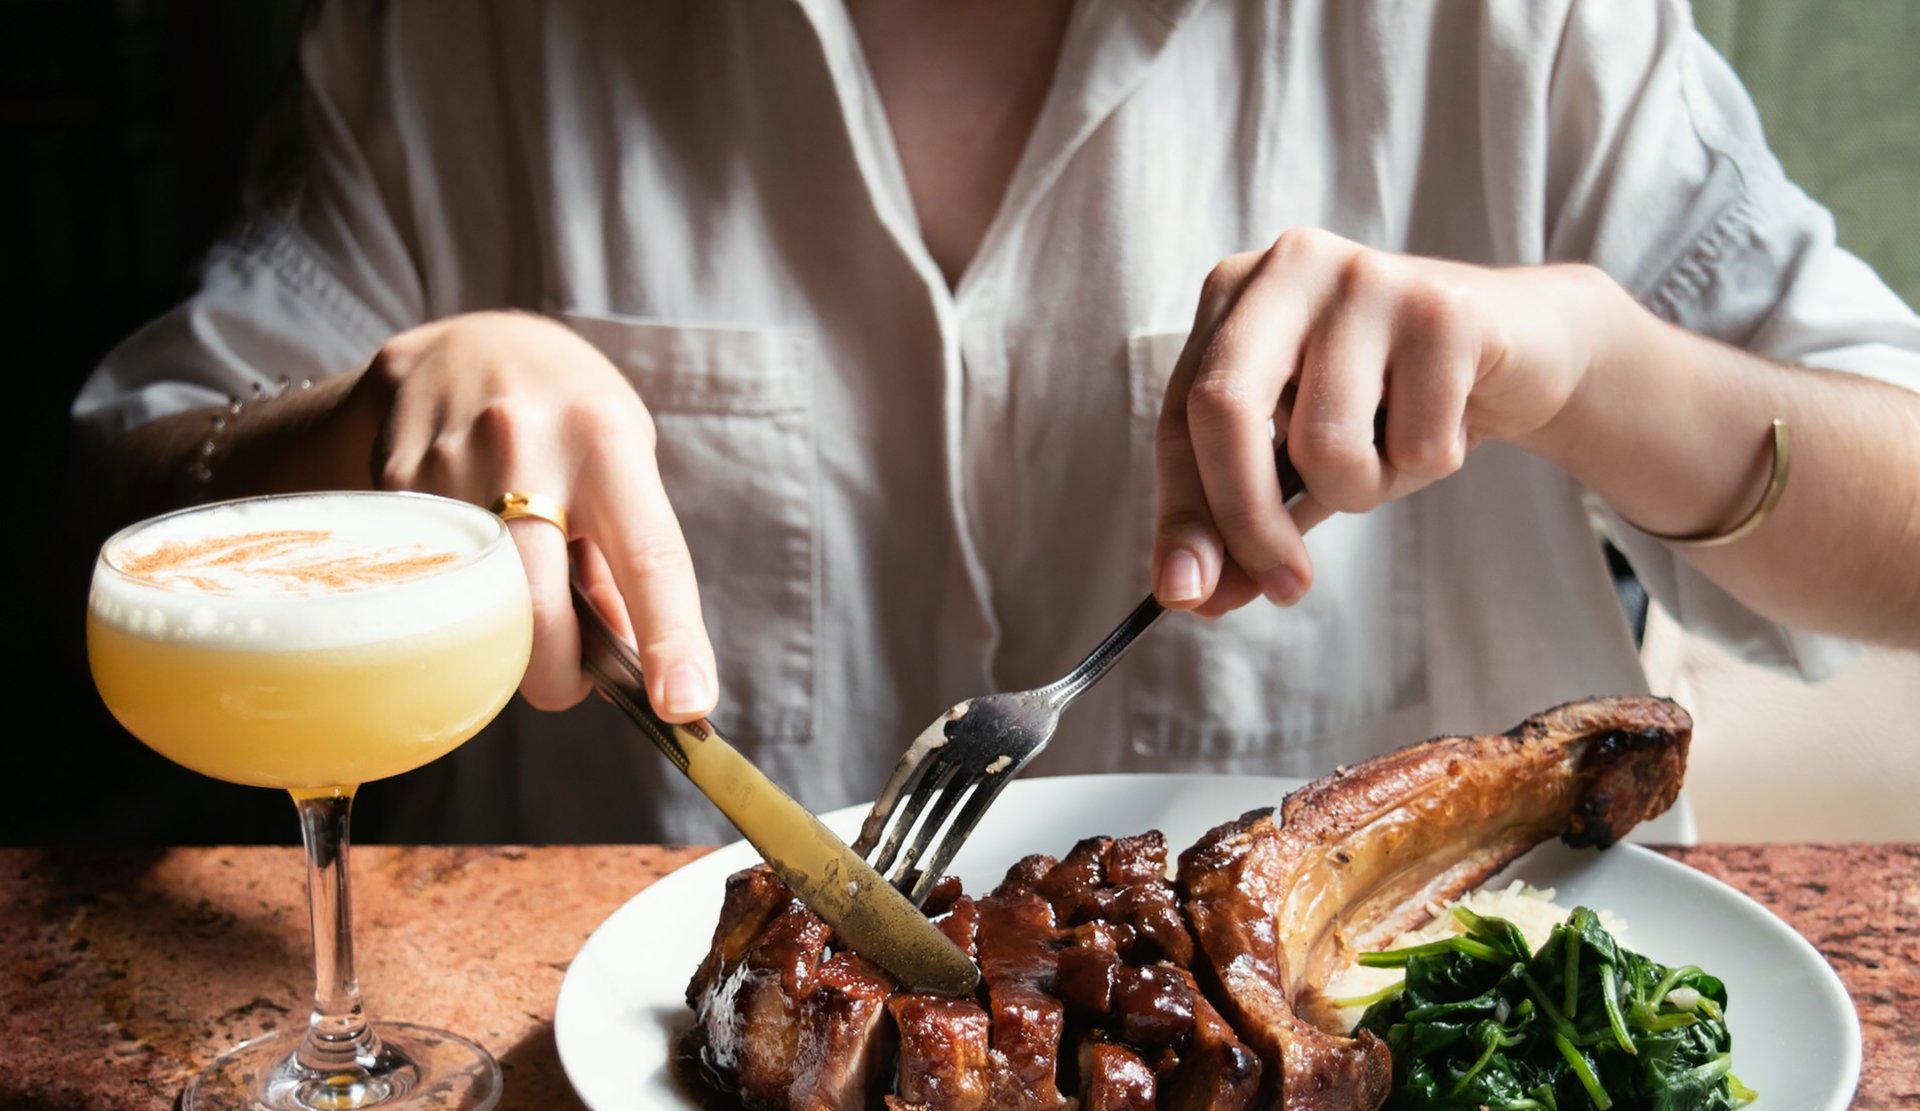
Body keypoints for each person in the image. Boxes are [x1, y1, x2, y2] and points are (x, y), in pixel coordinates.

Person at [74, 0, 1920, 844]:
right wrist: (362, 436)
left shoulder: (1528, 30)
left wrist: (1601, 367)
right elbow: (120, 484)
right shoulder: (461, 42)